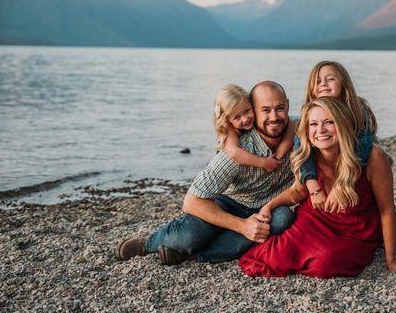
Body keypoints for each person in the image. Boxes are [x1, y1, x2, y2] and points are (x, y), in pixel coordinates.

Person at [239, 97, 396, 278]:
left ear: (342, 125)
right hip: (314, 219)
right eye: (313, 124)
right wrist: (269, 206)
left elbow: (387, 210)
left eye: (329, 122)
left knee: (326, 263)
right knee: (269, 256)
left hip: (356, 231)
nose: (320, 130)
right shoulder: (309, 156)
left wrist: (391, 261)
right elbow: (298, 191)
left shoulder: (372, 157)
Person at [114, 81, 295, 265]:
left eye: (279, 108)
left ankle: (195, 255)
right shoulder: (237, 151)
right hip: (229, 203)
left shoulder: (302, 134)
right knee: (188, 236)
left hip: (268, 208)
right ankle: (150, 243)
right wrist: (241, 225)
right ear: (255, 111)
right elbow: (191, 202)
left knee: (282, 219)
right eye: (265, 110)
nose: (274, 117)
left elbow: (313, 118)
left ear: (287, 105)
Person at [298, 61, 382, 213]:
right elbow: (301, 147)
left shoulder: (357, 109)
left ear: (344, 84)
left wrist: (342, 185)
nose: (323, 84)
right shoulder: (310, 112)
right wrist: (312, 186)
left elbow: (363, 145)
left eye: (330, 79)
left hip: (353, 166)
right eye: (317, 81)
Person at [213, 84, 294, 172]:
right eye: (237, 117)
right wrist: (265, 163)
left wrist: (278, 155)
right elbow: (234, 153)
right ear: (227, 120)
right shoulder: (229, 129)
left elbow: (291, 126)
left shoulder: (260, 119)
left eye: (247, 111)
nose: (245, 119)